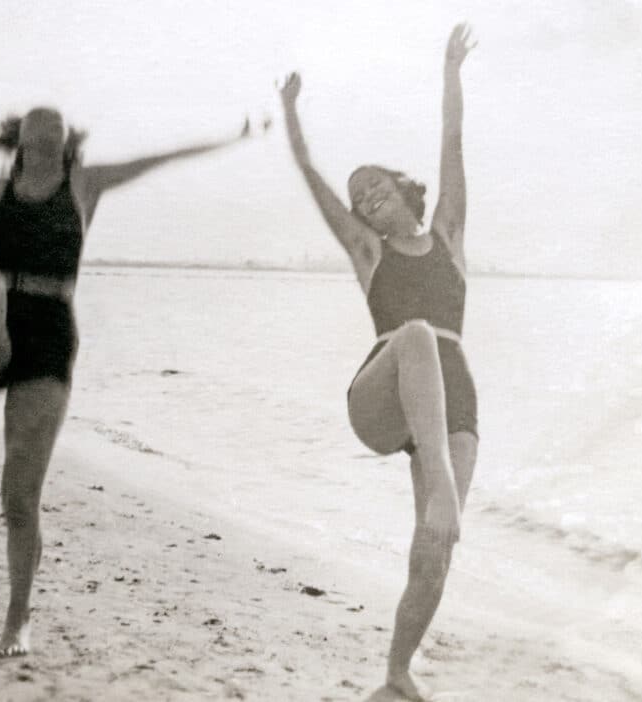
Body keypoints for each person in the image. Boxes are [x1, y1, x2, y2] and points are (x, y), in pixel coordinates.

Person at [0, 107, 253, 655]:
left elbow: (155, 161)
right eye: (39, 121)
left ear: (66, 139)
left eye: (58, 124)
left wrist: (229, 137)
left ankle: (18, 615)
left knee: (19, 498)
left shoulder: (85, 182)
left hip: (51, 335)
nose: (50, 125)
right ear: (21, 136)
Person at [279, 24, 477, 701]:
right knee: (418, 333)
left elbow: (452, 145)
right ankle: (443, 489)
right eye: (359, 198)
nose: (366, 200)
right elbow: (311, 181)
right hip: (386, 387)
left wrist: (451, 70)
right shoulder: (369, 255)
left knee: (434, 551)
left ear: (404, 190)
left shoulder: (448, 234)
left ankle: (396, 673)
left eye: (377, 189)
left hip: (454, 395)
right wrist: (291, 112)